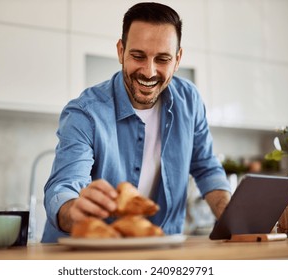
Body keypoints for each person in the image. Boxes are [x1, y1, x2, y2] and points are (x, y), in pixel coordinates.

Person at [42, 2, 231, 243]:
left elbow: (206, 167)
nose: (149, 71)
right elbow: (64, 186)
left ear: (178, 58)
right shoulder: (85, 113)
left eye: (162, 59)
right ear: (121, 51)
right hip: (85, 254)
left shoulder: (189, 101)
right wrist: (73, 209)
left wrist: (231, 218)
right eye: (138, 56)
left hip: (159, 251)